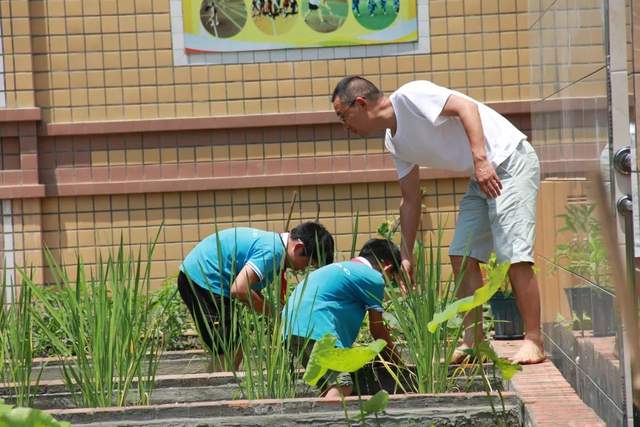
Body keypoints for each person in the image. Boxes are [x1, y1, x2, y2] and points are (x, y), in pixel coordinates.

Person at [330, 76, 545, 365]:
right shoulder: (394, 143)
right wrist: (406, 255)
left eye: (343, 117)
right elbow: (410, 199)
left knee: (513, 255)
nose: (345, 127)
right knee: (461, 254)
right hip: (480, 176)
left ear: (360, 103)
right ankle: (474, 343)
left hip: (509, 160)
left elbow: (466, 107)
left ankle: (534, 340)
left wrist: (481, 160)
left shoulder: (410, 97)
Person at [178, 222, 334, 370]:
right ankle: (216, 388)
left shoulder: (275, 249)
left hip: (204, 279)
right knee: (230, 350)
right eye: (308, 263)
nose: (303, 269)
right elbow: (239, 290)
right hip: (204, 280)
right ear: (298, 247)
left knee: (229, 350)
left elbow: (249, 292)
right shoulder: (273, 251)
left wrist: (280, 313)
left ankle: (213, 385)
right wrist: (275, 314)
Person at [282, 238, 402, 399]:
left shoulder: (341, 269)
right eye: (391, 278)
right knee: (342, 385)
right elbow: (377, 331)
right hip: (316, 328)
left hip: (291, 327)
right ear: (387, 266)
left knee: (330, 386)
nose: (387, 284)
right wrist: (398, 365)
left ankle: (312, 413)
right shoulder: (373, 277)